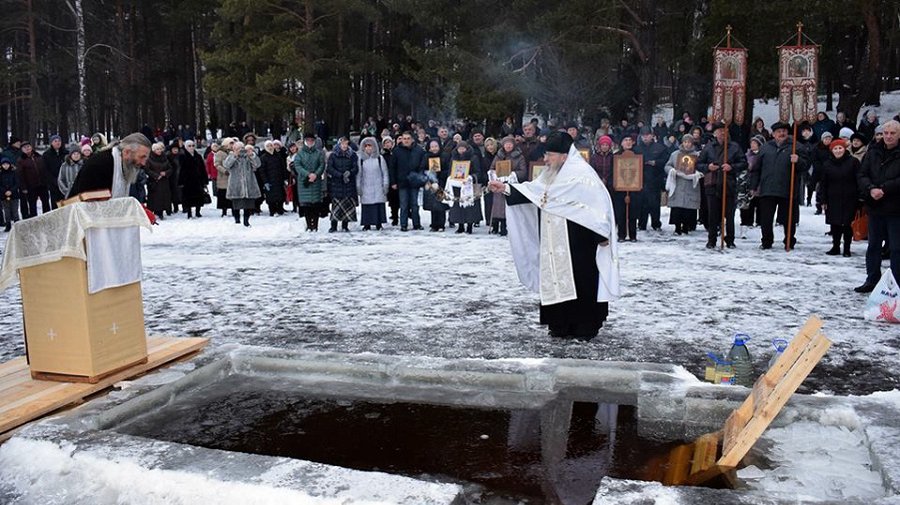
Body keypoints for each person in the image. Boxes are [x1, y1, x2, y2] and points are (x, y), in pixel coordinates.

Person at [488, 131, 619, 341]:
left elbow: (598, 205)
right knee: (556, 280)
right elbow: (534, 193)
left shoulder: (584, 176)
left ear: (564, 156)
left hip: (579, 243)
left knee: (582, 281)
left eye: (550, 155)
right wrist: (505, 188)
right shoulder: (549, 175)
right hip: (553, 241)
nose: (545, 159)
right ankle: (559, 324)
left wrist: (601, 234)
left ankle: (584, 326)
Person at [854, 120, 900, 293]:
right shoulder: (873, 151)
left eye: (892, 133)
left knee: (896, 248)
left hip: (895, 207)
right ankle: (872, 279)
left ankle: (895, 283)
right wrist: (871, 188)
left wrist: (884, 189)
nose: (888, 136)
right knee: (873, 246)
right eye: (885, 133)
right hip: (875, 206)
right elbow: (862, 174)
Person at [750, 121, 808, 250]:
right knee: (766, 218)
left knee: (789, 218)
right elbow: (756, 168)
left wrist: (798, 160)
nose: (781, 134)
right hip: (767, 188)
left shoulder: (796, 147)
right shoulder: (765, 147)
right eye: (778, 132)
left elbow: (806, 166)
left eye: (784, 131)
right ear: (773, 134)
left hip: (787, 188)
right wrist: (754, 186)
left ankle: (789, 240)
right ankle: (766, 241)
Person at [696, 122, 747, 248]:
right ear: (715, 133)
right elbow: (698, 164)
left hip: (728, 184)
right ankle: (711, 240)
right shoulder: (708, 147)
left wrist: (732, 167)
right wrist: (708, 167)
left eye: (724, 130)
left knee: (729, 215)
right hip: (712, 184)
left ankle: (730, 240)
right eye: (719, 131)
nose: (722, 133)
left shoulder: (734, 147)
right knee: (712, 214)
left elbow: (743, 163)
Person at [67, 132, 151, 198]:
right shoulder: (100, 165)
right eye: (142, 157)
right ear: (127, 152)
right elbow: (88, 203)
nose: (143, 163)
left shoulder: (125, 165)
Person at [818, 138, 860, 257]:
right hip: (833, 198)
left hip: (850, 197)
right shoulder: (827, 164)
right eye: (835, 149)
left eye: (840, 148)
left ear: (844, 149)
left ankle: (847, 248)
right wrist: (823, 200)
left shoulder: (853, 162)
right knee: (835, 224)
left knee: (847, 224)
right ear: (831, 150)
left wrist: (860, 198)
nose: (838, 151)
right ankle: (835, 246)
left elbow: (859, 180)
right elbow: (823, 184)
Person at [388, 131, 426, 231]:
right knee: (403, 204)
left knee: (414, 204)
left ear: (412, 139)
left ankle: (416, 224)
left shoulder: (419, 150)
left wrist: (420, 178)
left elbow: (422, 166)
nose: (406, 141)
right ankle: (403, 225)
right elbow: (392, 168)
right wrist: (393, 182)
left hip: (414, 181)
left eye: (408, 138)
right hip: (402, 182)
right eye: (404, 139)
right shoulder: (396, 151)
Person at [665, 134, 703, 235]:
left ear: (692, 143)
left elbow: (702, 167)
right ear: (682, 143)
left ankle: (686, 227)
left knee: (688, 207)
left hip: (691, 184)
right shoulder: (675, 154)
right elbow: (667, 166)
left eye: (689, 142)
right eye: (685, 142)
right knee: (677, 207)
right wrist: (672, 170)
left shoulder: (697, 155)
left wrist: (697, 173)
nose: (687, 144)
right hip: (678, 183)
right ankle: (677, 227)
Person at [490, 136, 526, 236]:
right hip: (499, 183)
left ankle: (506, 227)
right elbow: (492, 167)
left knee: (508, 206)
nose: (508, 146)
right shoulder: (499, 155)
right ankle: (496, 225)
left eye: (510, 144)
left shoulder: (519, 157)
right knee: (498, 207)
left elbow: (523, 172)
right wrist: (493, 173)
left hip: (511, 185)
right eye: (506, 144)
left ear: (514, 145)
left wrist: (513, 174)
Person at [635, 126, 669, 231]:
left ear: (652, 136)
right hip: (641, 179)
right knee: (642, 203)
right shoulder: (636, 148)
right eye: (643, 136)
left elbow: (666, 161)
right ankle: (642, 223)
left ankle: (656, 223)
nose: (645, 138)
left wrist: (655, 163)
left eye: (647, 135)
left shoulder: (660, 147)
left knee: (654, 203)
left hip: (655, 178)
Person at [223, 141, 261, 227]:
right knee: (236, 203)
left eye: (241, 148)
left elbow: (257, 165)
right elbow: (226, 165)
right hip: (236, 184)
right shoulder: (231, 156)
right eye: (237, 149)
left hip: (248, 183)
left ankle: (246, 221)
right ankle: (237, 220)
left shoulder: (248, 157)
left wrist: (252, 155)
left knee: (248, 204)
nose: (240, 150)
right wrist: (234, 156)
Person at [447, 141, 482, 234]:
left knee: (469, 206)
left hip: (469, 186)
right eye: (459, 148)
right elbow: (450, 171)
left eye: (463, 148)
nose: (461, 150)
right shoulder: (453, 159)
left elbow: (478, 172)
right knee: (458, 207)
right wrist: (450, 178)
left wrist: (471, 177)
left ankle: (470, 226)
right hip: (457, 186)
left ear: (467, 149)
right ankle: (460, 226)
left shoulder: (473, 158)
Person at [294, 132, 326, 231]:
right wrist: (308, 174)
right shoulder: (300, 153)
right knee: (306, 205)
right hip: (304, 181)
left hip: (316, 181)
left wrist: (316, 174)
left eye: (312, 140)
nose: (310, 142)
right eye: (308, 140)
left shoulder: (319, 153)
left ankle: (315, 225)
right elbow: (298, 166)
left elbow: (322, 165)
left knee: (316, 205)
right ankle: (309, 225)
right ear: (305, 141)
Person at [326, 137, 359, 232]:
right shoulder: (333, 155)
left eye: (346, 144)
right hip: (337, 183)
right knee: (336, 206)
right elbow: (330, 168)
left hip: (349, 182)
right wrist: (339, 175)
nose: (344, 146)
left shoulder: (353, 155)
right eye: (343, 144)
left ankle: (345, 225)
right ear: (339, 144)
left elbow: (356, 168)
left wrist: (349, 173)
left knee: (347, 205)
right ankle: (333, 226)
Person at [356, 137, 389, 231]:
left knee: (378, 206)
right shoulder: (361, 160)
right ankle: (367, 224)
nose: (368, 148)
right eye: (366, 146)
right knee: (367, 207)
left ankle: (379, 223)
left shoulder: (379, 158)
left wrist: (385, 185)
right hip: (366, 187)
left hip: (378, 186)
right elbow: (359, 175)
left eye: (370, 146)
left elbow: (385, 173)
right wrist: (358, 187)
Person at [613, 135, 640, 242]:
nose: (628, 142)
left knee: (633, 213)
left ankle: (633, 235)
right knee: (621, 213)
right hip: (620, 189)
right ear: (621, 143)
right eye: (625, 140)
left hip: (634, 188)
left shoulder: (638, 155)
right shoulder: (616, 156)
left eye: (630, 140)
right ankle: (621, 235)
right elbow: (613, 172)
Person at [16, 141, 50, 218]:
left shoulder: (38, 156)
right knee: (32, 206)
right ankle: (34, 221)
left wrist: (47, 182)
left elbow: (44, 170)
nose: (27, 148)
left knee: (46, 203)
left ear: (31, 147)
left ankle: (47, 218)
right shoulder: (21, 160)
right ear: (22, 150)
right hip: (30, 186)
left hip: (42, 184)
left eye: (28, 146)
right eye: (25, 147)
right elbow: (20, 175)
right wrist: (23, 187)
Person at [178, 139, 208, 218]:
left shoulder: (198, 156)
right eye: (189, 146)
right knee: (188, 197)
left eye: (193, 145)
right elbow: (181, 170)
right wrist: (181, 181)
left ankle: (198, 211)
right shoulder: (183, 156)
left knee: (199, 196)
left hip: (198, 179)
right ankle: (189, 212)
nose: (191, 147)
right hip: (187, 180)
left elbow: (202, 168)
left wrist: (204, 179)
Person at [423, 139, 449, 232]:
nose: (434, 148)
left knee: (441, 204)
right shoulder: (426, 156)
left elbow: (448, 169)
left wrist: (440, 173)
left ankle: (441, 224)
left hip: (442, 182)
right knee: (432, 205)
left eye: (436, 146)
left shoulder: (444, 156)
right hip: (431, 183)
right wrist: (429, 174)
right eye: (432, 146)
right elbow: (422, 168)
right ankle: (434, 224)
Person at [145, 142, 174, 220]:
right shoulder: (149, 159)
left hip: (164, 181)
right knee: (155, 198)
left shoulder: (164, 158)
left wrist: (166, 173)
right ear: (154, 150)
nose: (159, 150)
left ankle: (161, 212)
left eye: (160, 149)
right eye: (157, 149)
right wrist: (156, 175)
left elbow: (170, 168)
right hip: (154, 182)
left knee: (164, 197)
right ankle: (155, 212)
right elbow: (147, 170)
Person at [259, 140, 288, 216]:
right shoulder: (263, 157)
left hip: (279, 179)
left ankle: (280, 209)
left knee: (280, 196)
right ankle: (272, 211)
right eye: (268, 146)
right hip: (269, 180)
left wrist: (285, 178)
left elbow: (283, 167)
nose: (270, 147)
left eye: (271, 146)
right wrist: (265, 181)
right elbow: (262, 171)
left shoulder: (278, 156)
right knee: (271, 197)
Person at [42, 135, 68, 209]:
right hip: (54, 184)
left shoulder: (66, 153)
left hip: (66, 183)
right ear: (51, 143)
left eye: (59, 141)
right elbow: (46, 170)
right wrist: (54, 181)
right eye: (55, 141)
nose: (58, 143)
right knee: (55, 204)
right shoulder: (46, 155)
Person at [214, 138, 235, 217]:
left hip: (232, 176)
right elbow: (217, 164)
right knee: (223, 194)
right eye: (230, 143)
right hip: (223, 176)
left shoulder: (232, 152)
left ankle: (234, 209)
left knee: (232, 194)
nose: (232, 145)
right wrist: (224, 171)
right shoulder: (220, 153)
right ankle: (224, 211)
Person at [0, 157, 20, 232]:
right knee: (6, 211)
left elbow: (17, 183)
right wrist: (4, 191)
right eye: (4, 164)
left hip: (14, 195)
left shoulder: (14, 173)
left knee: (15, 211)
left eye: (7, 164)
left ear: (9, 165)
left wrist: (11, 191)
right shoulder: (0, 174)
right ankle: (8, 225)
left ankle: (17, 224)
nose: (5, 166)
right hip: (3, 196)